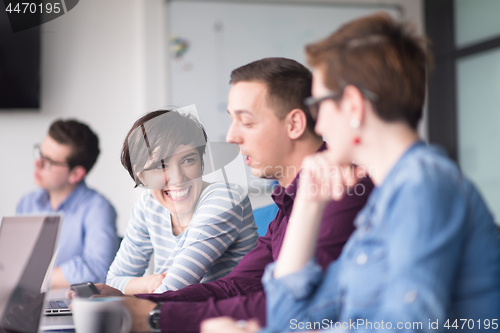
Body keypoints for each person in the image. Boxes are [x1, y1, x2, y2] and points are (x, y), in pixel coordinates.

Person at [202, 13, 500, 333]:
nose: (316, 120)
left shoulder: (423, 183)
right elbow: (290, 318)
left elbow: (409, 325)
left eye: (318, 103)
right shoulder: (381, 206)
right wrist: (308, 205)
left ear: (354, 106)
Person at [73, 57, 374, 332]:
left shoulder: (341, 189)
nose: (231, 136)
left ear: (294, 123)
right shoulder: (291, 200)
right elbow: (237, 286)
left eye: (246, 121)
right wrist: (143, 303)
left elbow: (292, 310)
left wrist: (154, 315)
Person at [105, 109, 259, 295]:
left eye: (188, 160)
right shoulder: (148, 206)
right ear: (143, 177)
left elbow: (172, 292)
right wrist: (149, 283)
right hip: (180, 317)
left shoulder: (225, 198)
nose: (178, 178)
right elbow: (113, 282)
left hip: (232, 319)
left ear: (201, 164)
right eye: (161, 165)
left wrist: (144, 287)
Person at [16, 119, 119, 288]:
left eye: (48, 161)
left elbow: (97, 269)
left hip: (70, 307)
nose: (37, 164)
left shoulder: (99, 209)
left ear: (76, 174)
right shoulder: (27, 203)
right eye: (40, 153)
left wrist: (34, 278)